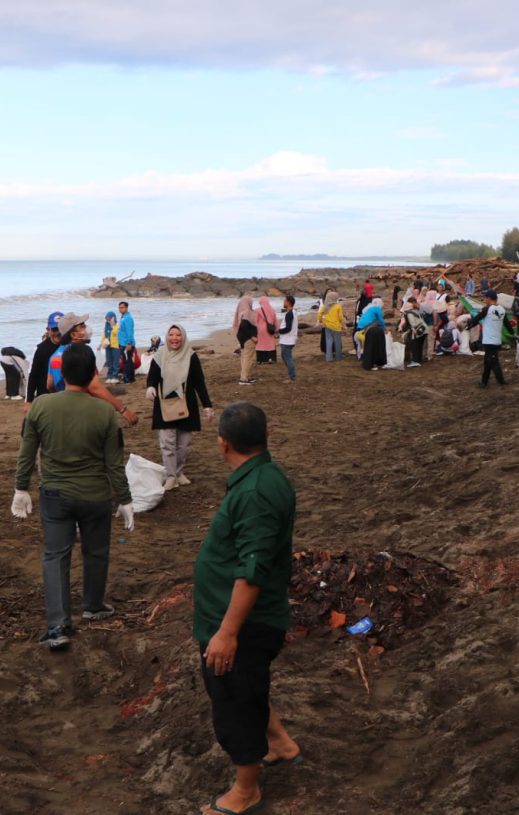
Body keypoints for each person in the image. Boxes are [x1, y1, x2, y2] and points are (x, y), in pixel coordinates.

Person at [193, 402, 300, 815]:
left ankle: (246, 791)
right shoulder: (262, 476)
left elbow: (252, 570)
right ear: (265, 437)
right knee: (247, 688)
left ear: (222, 443)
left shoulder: (257, 491)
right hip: (236, 616)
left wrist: (227, 632)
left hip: (244, 621)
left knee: (235, 699)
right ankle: (281, 743)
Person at [12, 344, 135, 648]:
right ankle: (93, 605)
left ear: (61, 373)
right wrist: (125, 499)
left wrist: (20, 487)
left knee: (56, 556)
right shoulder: (105, 411)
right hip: (96, 495)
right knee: (96, 551)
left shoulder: (41, 405)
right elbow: (113, 462)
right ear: (94, 373)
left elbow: (27, 451)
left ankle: (57, 625)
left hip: (56, 494)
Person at [145, 324, 214, 490]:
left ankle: (179, 472)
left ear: (183, 337)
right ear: (167, 337)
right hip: (164, 405)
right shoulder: (160, 355)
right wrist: (150, 387)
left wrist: (207, 405)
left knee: (183, 444)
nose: (174, 338)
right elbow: (152, 378)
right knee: (167, 444)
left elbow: (199, 383)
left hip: (187, 404)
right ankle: (170, 476)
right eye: (171, 335)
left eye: (178, 335)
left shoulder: (191, 356)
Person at [45, 314, 139, 424]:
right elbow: (94, 387)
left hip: (65, 413)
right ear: (73, 334)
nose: (86, 328)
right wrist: (123, 409)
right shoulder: (82, 353)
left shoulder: (54, 357)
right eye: (82, 326)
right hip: (86, 412)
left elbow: (50, 385)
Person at [467, 290, 511, 387]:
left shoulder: (487, 309)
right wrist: (513, 334)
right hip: (497, 340)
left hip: (489, 341)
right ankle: (484, 382)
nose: (484, 300)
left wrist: (469, 324)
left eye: (485, 298)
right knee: (488, 361)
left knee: (493, 361)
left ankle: (501, 381)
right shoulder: (502, 310)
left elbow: (476, 319)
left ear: (489, 298)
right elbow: (507, 324)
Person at [25, 311, 64, 408]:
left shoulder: (70, 347)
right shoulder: (40, 349)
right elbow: (33, 375)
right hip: (44, 396)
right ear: (48, 330)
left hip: (65, 396)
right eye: (54, 329)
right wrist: (29, 401)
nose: (58, 333)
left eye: (61, 329)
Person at [356, 298, 387, 370]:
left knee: (365, 344)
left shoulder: (369, 308)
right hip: (370, 328)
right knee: (371, 345)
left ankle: (362, 358)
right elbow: (380, 320)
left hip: (362, 327)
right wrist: (384, 328)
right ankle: (371, 363)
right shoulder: (377, 308)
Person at [233, 297, 258, 386]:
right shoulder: (247, 312)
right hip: (248, 339)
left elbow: (241, 326)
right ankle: (243, 379)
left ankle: (246, 377)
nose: (252, 304)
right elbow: (244, 326)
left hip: (242, 338)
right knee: (248, 359)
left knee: (244, 358)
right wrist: (252, 337)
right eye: (251, 302)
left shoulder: (241, 312)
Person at [399, 296, 428, 368]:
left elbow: (413, 323)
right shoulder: (416, 310)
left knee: (415, 346)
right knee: (420, 345)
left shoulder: (409, 313)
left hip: (417, 331)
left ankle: (415, 361)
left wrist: (412, 328)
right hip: (424, 329)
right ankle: (419, 359)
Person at [317, 291, 345, 362]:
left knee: (328, 342)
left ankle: (329, 358)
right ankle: (339, 358)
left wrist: (320, 321)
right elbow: (341, 317)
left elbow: (319, 314)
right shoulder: (338, 306)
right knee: (337, 342)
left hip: (327, 326)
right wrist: (343, 325)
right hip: (336, 327)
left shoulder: (325, 306)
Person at [277, 295, 299, 383]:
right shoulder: (293, 312)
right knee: (285, 356)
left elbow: (288, 328)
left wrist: (278, 331)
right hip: (290, 338)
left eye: (284, 301)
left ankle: (292, 378)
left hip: (288, 339)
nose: (283, 302)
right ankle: (291, 375)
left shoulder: (290, 313)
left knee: (287, 358)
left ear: (288, 302)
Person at [117, 301, 136, 384]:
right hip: (122, 342)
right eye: (119, 307)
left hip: (127, 344)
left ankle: (128, 378)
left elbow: (130, 331)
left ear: (126, 308)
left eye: (122, 307)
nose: (120, 309)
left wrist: (129, 343)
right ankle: (130, 378)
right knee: (126, 361)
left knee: (128, 362)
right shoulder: (123, 317)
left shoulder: (128, 318)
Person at [255, 297, 278, 364]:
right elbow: (275, 321)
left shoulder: (257, 310)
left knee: (260, 344)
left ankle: (260, 360)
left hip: (260, 330)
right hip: (270, 329)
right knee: (270, 344)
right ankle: (271, 359)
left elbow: (255, 321)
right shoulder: (273, 310)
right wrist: (276, 329)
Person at [102, 311, 121, 383]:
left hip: (115, 346)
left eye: (109, 318)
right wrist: (101, 344)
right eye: (107, 319)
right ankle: (110, 376)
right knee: (109, 362)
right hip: (108, 346)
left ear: (113, 318)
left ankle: (115, 376)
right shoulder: (106, 325)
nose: (108, 320)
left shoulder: (117, 325)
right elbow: (104, 335)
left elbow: (115, 333)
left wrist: (113, 325)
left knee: (115, 362)